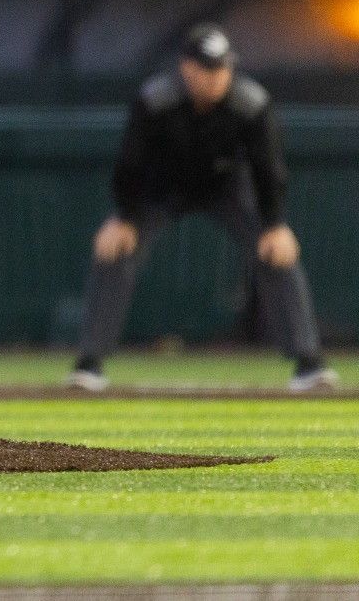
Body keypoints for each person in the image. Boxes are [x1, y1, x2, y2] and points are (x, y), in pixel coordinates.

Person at [66, 25, 337, 392]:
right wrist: (124, 216)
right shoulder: (156, 100)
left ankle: (309, 363)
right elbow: (131, 162)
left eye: (222, 68)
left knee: (276, 252)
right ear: (186, 68)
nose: (215, 77)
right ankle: (89, 363)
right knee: (115, 249)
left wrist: (274, 222)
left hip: (226, 186)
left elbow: (268, 166)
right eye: (207, 68)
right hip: (162, 187)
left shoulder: (251, 103)